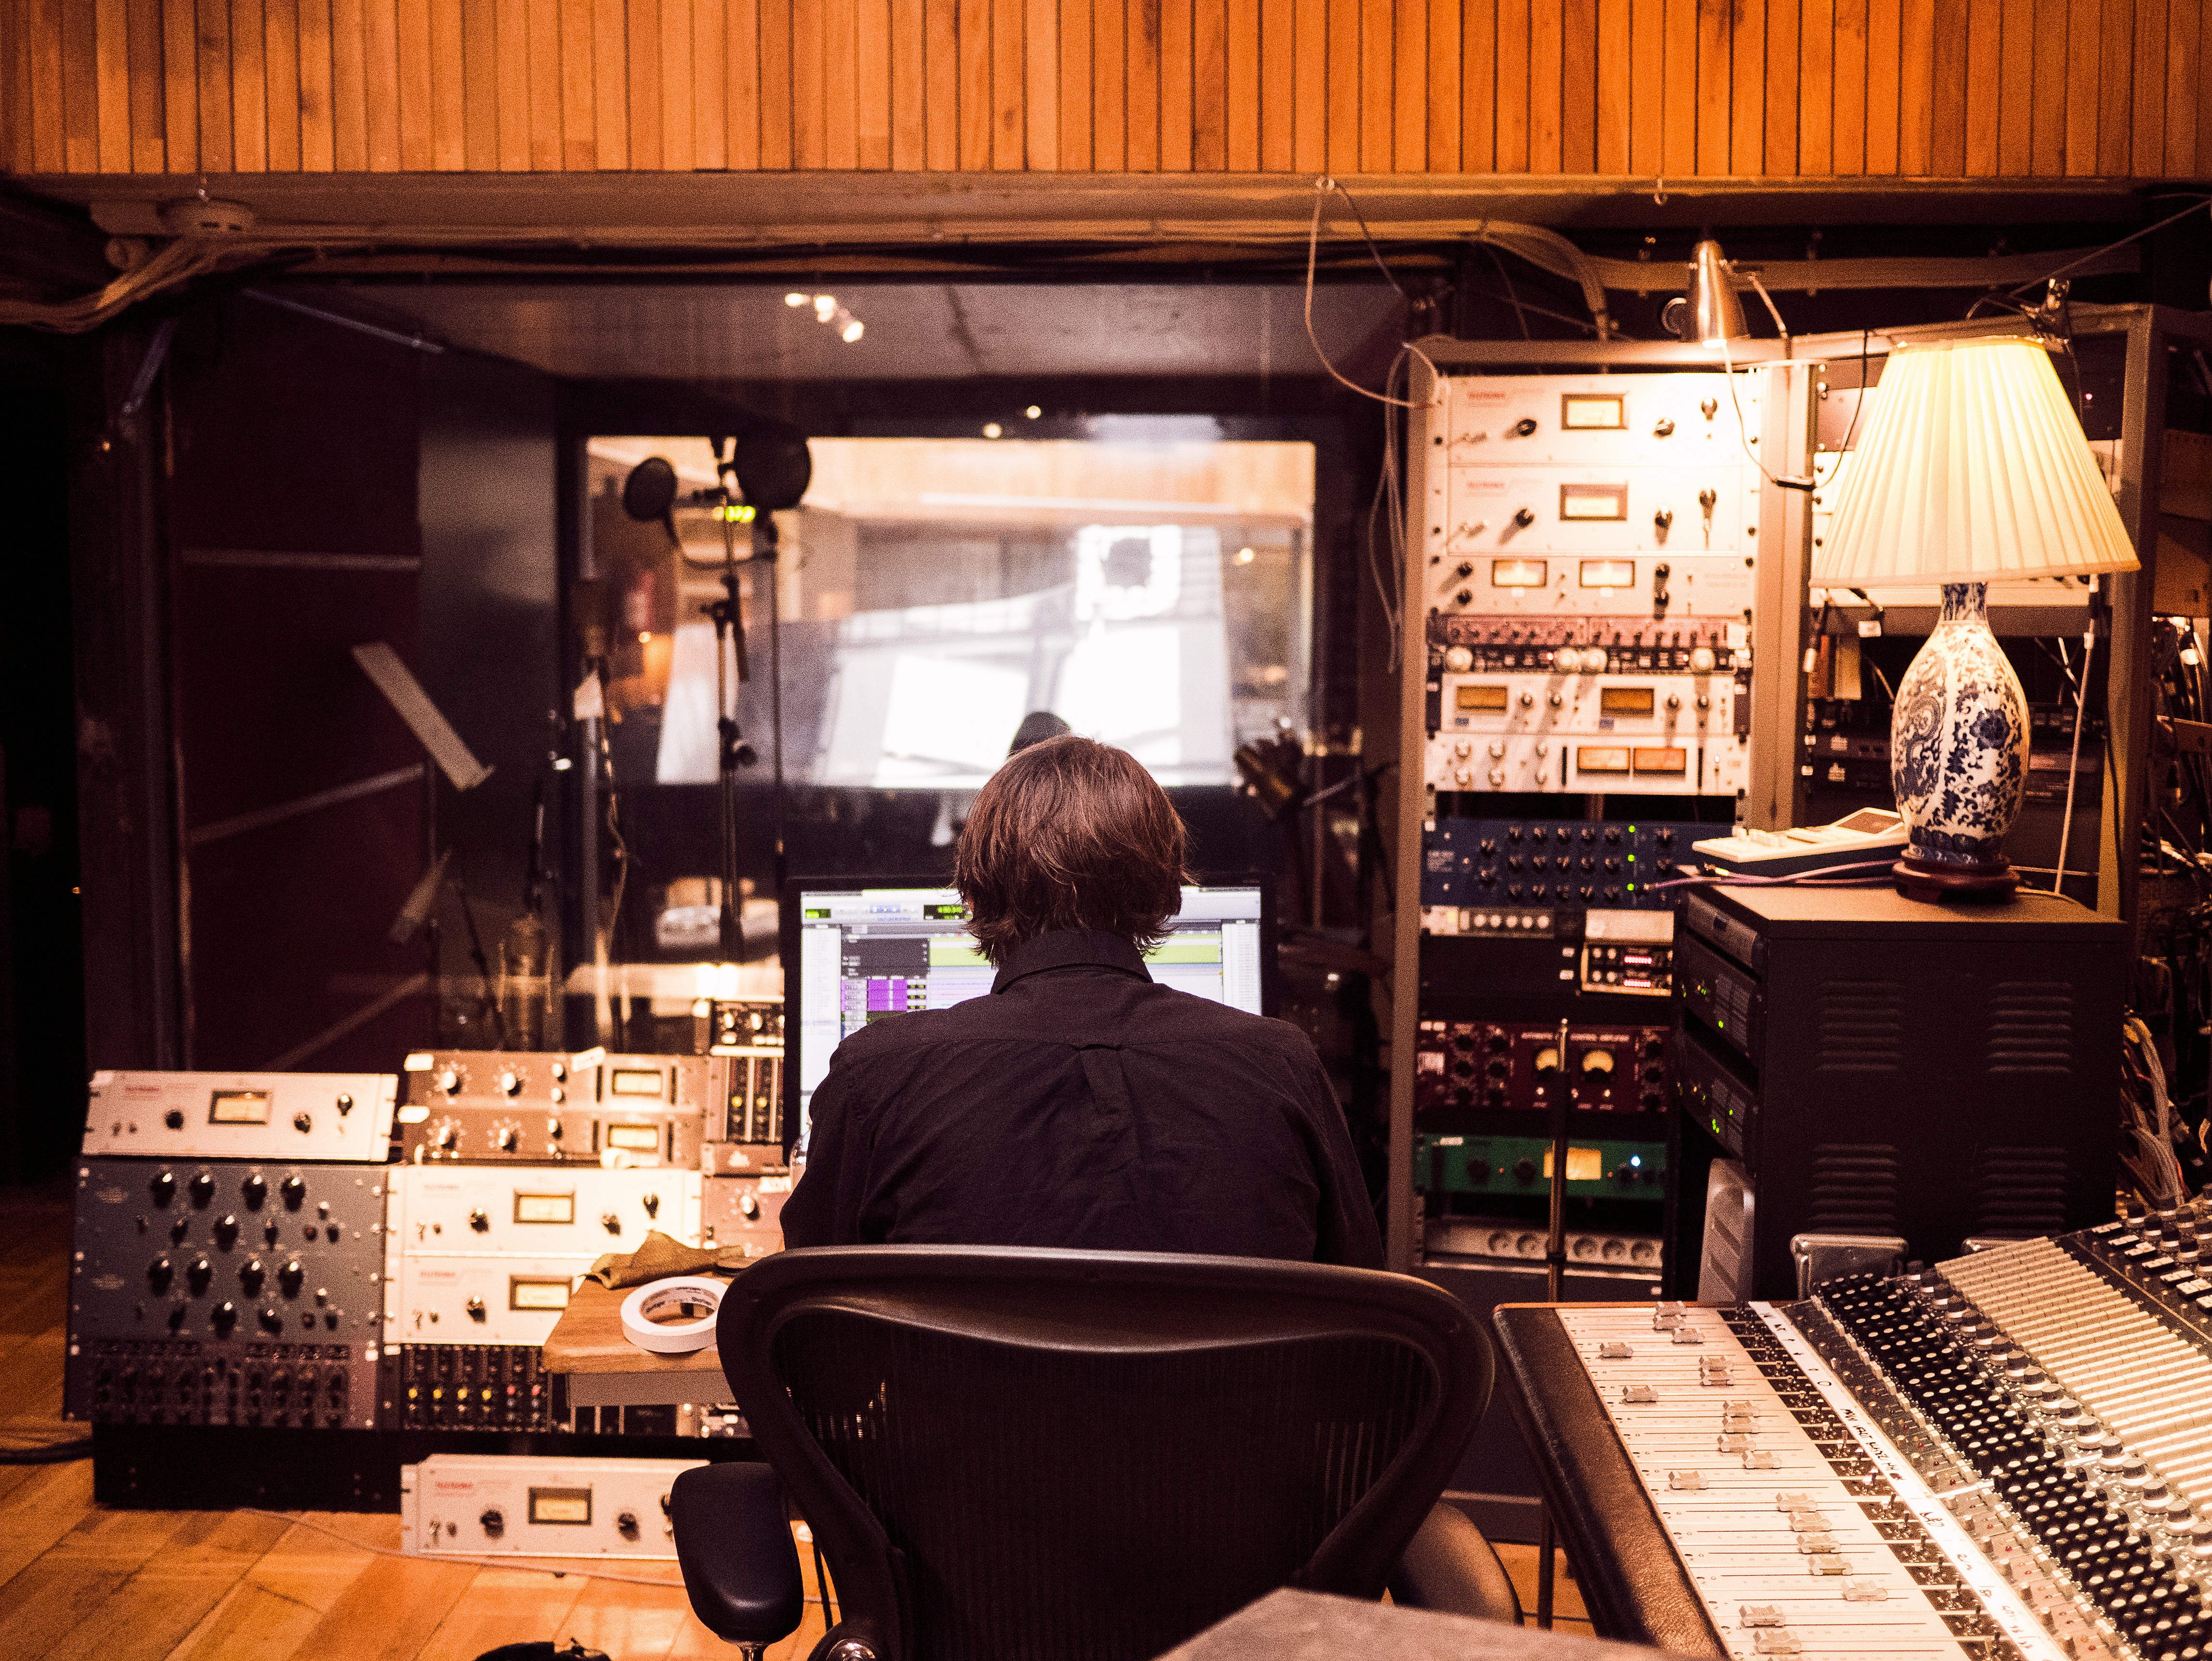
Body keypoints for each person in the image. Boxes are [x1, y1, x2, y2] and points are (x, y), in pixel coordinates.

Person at [779, 734, 1382, 1266]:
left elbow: (809, 1332)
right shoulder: (1282, 1066)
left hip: (974, 1400)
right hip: (1217, 1400)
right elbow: (1366, 1326)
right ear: (1168, 890)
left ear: (972, 892)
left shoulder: (877, 1076)